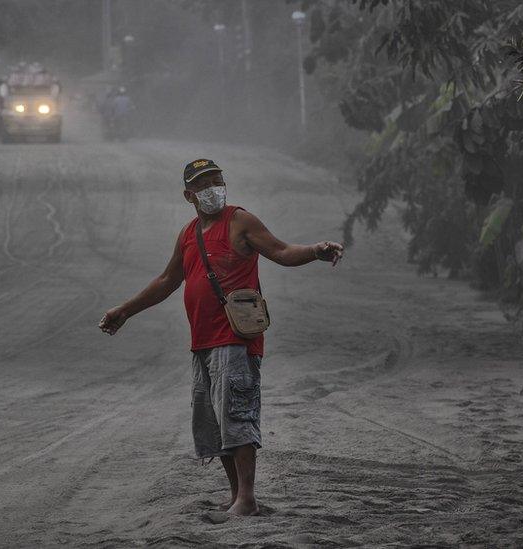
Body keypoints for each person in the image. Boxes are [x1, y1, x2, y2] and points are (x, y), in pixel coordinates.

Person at [99, 159, 344, 517]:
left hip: (235, 337)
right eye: (203, 185)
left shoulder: (240, 220)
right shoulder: (188, 233)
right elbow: (167, 281)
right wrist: (125, 310)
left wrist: (315, 251)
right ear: (189, 195)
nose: (213, 189)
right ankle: (235, 496)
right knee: (216, 420)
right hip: (202, 341)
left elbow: (281, 251)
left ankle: (247, 497)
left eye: (217, 181)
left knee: (237, 415)